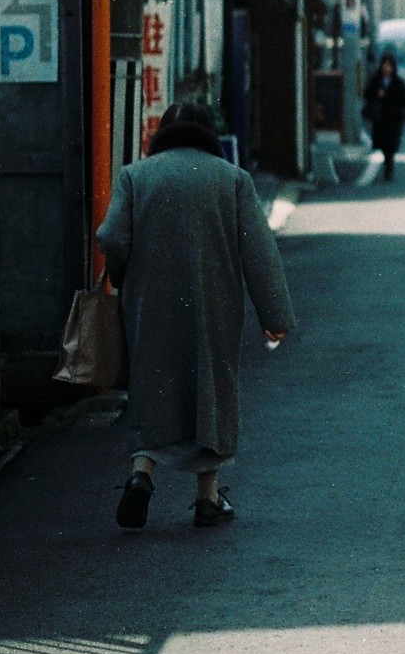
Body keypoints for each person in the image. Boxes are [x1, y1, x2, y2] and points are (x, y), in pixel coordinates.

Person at [99, 102, 296, 530]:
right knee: (211, 389)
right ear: (207, 134)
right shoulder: (232, 180)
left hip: (149, 304)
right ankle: (207, 498)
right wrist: (274, 314)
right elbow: (259, 252)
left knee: (150, 384)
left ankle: (140, 475)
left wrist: (122, 276)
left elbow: (111, 236)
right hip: (214, 304)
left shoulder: (136, 176)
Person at [362, 52, 405, 180]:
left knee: (391, 144)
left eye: (389, 66)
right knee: (383, 144)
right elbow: (367, 94)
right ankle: (387, 163)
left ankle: (389, 167)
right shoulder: (376, 80)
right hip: (381, 118)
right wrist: (377, 95)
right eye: (385, 65)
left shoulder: (398, 82)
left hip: (394, 118)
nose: (387, 68)